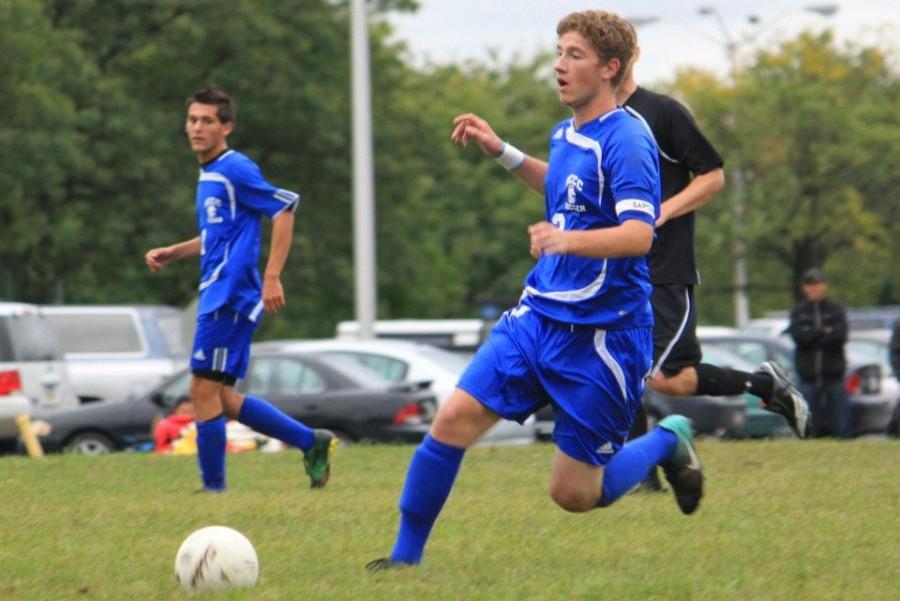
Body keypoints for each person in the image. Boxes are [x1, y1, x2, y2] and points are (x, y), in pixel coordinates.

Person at [367, 11, 702, 571]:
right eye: (559, 51)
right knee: (451, 422)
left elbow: (640, 234)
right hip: (538, 318)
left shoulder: (628, 139)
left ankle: (668, 439)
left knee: (574, 495)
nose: (558, 64)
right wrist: (501, 149)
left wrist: (568, 241)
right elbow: (564, 186)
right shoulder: (567, 132)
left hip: (604, 337)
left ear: (609, 68)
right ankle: (404, 560)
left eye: (574, 54)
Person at [615, 39, 809, 488]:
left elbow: (713, 175)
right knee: (621, 363)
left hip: (664, 267)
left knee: (665, 378)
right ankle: (645, 472)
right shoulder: (590, 123)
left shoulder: (662, 112)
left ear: (626, 59)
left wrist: (662, 212)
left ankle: (763, 388)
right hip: (617, 265)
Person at [144, 87, 336, 491]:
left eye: (207, 120)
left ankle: (213, 490)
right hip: (219, 294)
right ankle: (310, 441)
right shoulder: (210, 173)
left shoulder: (235, 169)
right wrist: (175, 252)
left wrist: (272, 276)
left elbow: (284, 208)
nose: (197, 127)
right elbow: (217, 235)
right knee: (222, 398)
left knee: (200, 389)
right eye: (193, 119)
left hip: (230, 296)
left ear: (226, 126)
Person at [788, 268, 850, 438]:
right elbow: (800, 337)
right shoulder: (799, 312)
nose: (814, 288)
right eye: (810, 284)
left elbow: (840, 336)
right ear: (804, 288)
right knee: (807, 423)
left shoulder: (835, 310)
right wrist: (823, 332)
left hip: (833, 376)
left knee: (841, 423)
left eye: (817, 284)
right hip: (808, 378)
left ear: (825, 286)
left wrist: (813, 334)